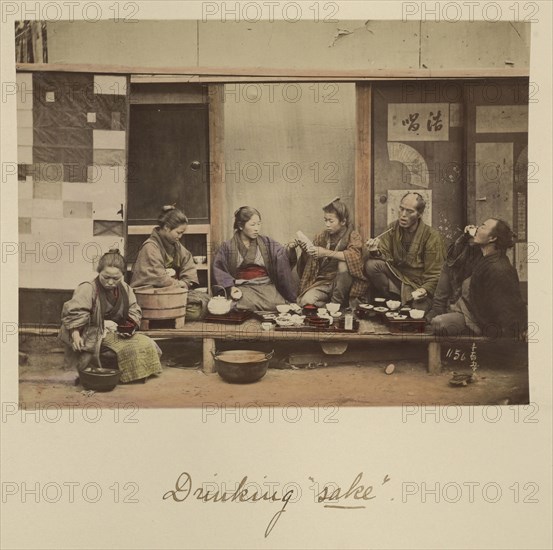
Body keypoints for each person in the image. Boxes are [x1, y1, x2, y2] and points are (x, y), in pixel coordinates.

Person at [59, 249, 163, 383]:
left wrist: (128, 327)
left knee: (146, 343)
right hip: (90, 331)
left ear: (123, 275)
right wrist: (75, 335)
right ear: (99, 272)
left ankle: (137, 373)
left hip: (115, 331)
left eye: (116, 278)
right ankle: (120, 375)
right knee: (129, 349)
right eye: (106, 277)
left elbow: (134, 310)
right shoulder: (88, 288)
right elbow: (75, 314)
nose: (110, 282)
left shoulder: (126, 289)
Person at [431, 218, 527, 339]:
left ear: (492, 238)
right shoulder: (484, 256)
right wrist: (465, 236)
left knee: (439, 323)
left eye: (482, 226)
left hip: (478, 320)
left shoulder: (499, 268)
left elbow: (505, 308)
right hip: (469, 312)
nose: (477, 229)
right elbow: (454, 258)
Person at [363, 192, 445, 311]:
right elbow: (385, 255)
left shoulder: (432, 237)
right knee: (371, 265)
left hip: (418, 285)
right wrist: (375, 251)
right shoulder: (393, 228)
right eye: (401, 209)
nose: (403, 215)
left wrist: (424, 290)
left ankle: (405, 302)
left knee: (418, 310)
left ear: (419, 214)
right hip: (397, 277)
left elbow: (436, 273)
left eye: (409, 211)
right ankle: (394, 300)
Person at [130, 205, 209, 320]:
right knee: (196, 310)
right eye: (178, 232)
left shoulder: (175, 244)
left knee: (206, 300)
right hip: (150, 296)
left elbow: (188, 261)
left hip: (169, 292)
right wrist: (179, 284)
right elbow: (159, 278)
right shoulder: (150, 247)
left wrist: (186, 282)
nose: (180, 236)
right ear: (167, 227)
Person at [212, 206, 297, 311]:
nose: (257, 228)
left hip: (265, 284)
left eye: (259, 224)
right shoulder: (228, 246)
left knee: (277, 304)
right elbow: (219, 269)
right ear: (240, 226)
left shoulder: (267, 242)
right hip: (242, 286)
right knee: (237, 304)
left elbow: (282, 256)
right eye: (252, 225)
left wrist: (290, 249)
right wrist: (231, 287)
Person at [293, 197, 367, 308]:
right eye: (325, 220)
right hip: (322, 282)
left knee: (344, 264)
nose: (327, 224)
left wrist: (325, 252)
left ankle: (336, 303)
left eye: (331, 221)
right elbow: (310, 265)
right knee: (305, 301)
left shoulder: (353, 235)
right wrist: (305, 252)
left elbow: (354, 256)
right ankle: (334, 306)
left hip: (342, 285)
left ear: (343, 221)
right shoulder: (321, 236)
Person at [426, 224, 483, 322]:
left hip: (474, 315)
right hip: (451, 311)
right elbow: (439, 300)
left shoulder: (483, 266)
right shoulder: (449, 266)